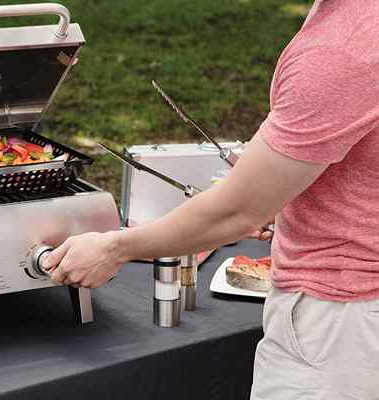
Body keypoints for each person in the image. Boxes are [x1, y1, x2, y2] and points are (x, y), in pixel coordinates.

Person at [41, 1, 379, 399]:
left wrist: (114, 247)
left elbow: (236, 212)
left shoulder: (341, 49)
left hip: (338, 327)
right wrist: (280, 182)